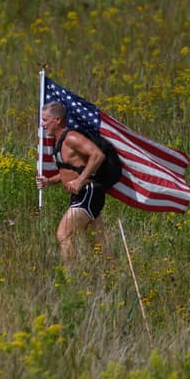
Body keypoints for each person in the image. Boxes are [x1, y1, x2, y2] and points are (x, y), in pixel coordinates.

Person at [35, 101, 121, 263]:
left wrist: (80, 181)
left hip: (88, 192)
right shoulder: (59, 142)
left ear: (57, 120)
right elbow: (71, 170)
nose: (42, 124)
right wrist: (49, 181)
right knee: (99, 244)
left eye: (45, 120)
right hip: (82, 195)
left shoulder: (72, 138)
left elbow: (97, 155)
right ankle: (113, 275)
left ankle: (70, 278)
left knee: (63, 234)